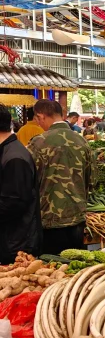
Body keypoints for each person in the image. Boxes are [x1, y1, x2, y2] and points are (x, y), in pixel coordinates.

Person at [28, 98, 94, 254]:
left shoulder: (39, 142)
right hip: (77, 218)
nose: (38, 124)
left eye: (37, 119)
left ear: (41, 116)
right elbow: (91, 181)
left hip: (49, 220)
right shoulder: (82, 141)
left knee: (52, 265)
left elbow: (27, 180)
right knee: (76, 263)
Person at [0, 103, 42, 263]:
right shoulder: (7, 151)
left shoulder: (15, 158)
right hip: (10, 240)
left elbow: (13, 203)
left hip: (16, 245)